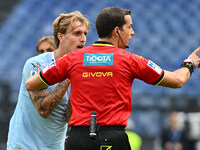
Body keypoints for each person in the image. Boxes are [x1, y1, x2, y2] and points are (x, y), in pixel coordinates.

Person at [25, 7, 200, 150]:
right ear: (117, 31)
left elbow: (31, 83)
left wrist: (52, 73)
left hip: (77, 139)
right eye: (129, 26)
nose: (132, 32)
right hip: (112, 138)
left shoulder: (72, 59)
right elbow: (177, 80)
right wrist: (189, 64)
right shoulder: (131, 60)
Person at [7, 11, 89, 150]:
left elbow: (70, 119)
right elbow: (43, 109)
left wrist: (78, 86)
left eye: (85, 34)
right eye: (77, 33)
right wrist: (68, 77)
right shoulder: (36, 64)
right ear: (61, 37)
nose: (83, 39)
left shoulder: (80, 71)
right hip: (25, 146)